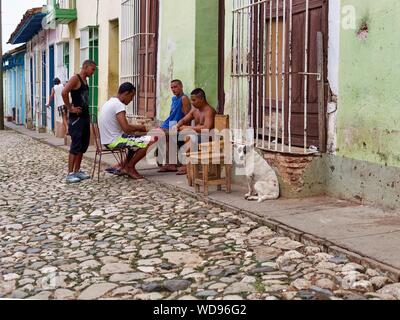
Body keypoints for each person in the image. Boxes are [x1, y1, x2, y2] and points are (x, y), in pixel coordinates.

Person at [98, 82, 157, 180]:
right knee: (152, 140)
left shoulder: (109, 102)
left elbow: (125, 129)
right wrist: (140, 128)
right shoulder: (119, 105)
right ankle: (130, 167)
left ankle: (124, 165)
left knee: (135, 140)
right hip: (114, 141)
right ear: (126, 93)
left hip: (107, 140)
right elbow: (126, 128)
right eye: (131, 96)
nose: (131, 100)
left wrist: (136, 130)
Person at [62, 60, 96, 184]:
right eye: (92, 69)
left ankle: (77, 170)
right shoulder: (75, 79)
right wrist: (70, 108)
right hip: (76, 118)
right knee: (75, 145)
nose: (93, 72)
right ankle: (70, 174)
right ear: (85, 67)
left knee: (83, 145)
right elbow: (64, 92)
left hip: (84, 117)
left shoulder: (85, 80)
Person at [173, 88, 216, 175]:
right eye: (191, 100)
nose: (192, 102)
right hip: (197, 135)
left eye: (194, 100)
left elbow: (206, 128)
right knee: (177, 135)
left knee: (189, 137)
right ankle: (183, 163)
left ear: (201, 99)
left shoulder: (209, 111)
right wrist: (177, 126)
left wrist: (188, 128)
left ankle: (187, 165)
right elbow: (184, 119)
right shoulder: (194, 110)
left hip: (208, 138)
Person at [158, 79, 191, 173]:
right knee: (158, 135)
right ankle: (170, 163)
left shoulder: (184, 99)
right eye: (172, 87)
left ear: (181, 87)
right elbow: (171, 114)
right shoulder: (173, 99)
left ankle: (171, 164)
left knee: (165, 135)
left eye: (175, 87)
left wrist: (183, 129)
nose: (173, 89)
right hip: (170, 124)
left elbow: (187, 116)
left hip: (178, 125)